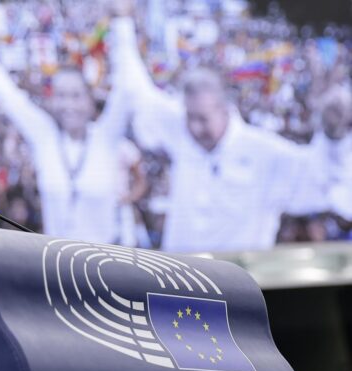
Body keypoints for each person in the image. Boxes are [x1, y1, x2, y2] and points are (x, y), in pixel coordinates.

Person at [106, 13, 328, 252]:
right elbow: (137, 93)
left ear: (224, 109)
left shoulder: (264, 151)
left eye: (203, 119)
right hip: (180, 281)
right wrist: (122, 22)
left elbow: (323, 177)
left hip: (239, 282)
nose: (194, 127)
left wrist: (334, 133)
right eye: (190, 117)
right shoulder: (181, 130)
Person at [0, 18, 146, 245]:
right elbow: (5, 90)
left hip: (107, 267)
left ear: (90, 100)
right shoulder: (44, 137)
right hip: (56, 267)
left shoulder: (106, 138)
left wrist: (121, 23)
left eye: (75, 96)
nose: (68, 105)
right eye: (61, 96)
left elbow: (126, 88)